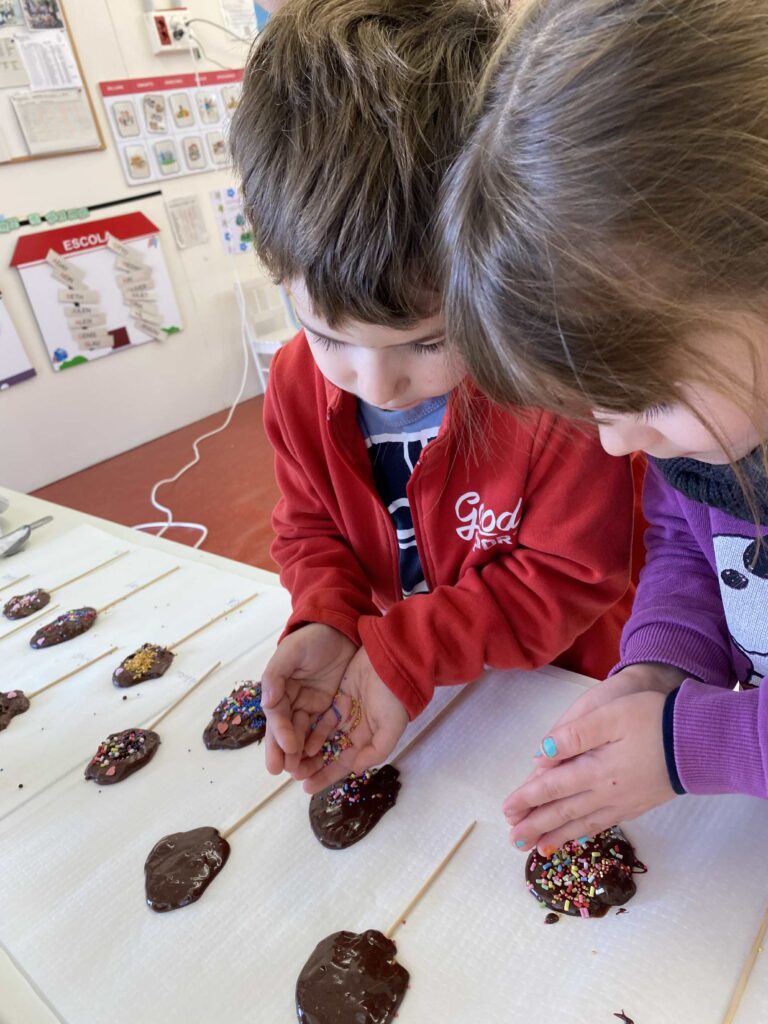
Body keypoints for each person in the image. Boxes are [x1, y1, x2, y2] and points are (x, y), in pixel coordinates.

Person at [229, 0, 638, 793]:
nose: (375, 382)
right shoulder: (295, 381)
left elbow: (570, 577)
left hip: (559, 688)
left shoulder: (549, 389)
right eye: (327, 335)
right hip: (422, 680)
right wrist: (325, 616)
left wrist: (406, 651)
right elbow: (311, 528)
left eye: (425, 343)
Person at [441, 0, 768, 852]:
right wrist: (662, 668)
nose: (618, 445)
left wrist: (690, 744)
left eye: (645, 397)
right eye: (598, 409)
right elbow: (689, 545)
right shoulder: (710, 429)